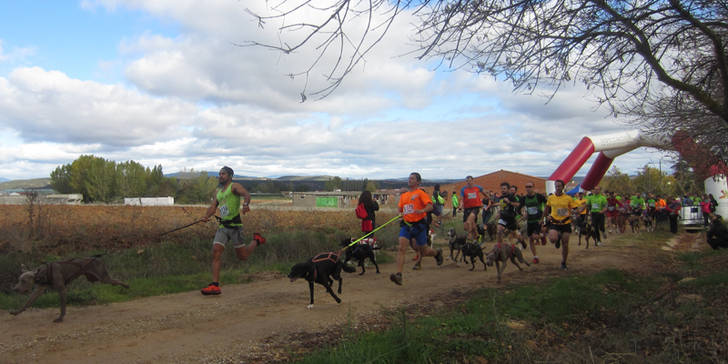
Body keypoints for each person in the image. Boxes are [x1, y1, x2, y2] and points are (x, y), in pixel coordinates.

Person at [200, 166, 266, 295]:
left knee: (243, 256)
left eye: (223, 174)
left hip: (235, 227)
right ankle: (215, 285)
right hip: (223, 227)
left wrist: (245, 205)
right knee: (216, 251)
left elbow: (246, 194)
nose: (220, 176)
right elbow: (213, 206)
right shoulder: (218, 192)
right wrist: (206, 216)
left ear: (230, 176)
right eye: (219, 174)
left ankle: (256, 241)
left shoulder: (234, 187)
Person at [390, 172, 443, 285]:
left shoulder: (420, 193)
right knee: (401, 248)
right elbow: (401, 210)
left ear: (418, 182)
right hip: (406, 225)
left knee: (423, 250)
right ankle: (399, 275)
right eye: (409, 178)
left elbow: (430, 206)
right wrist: (400, 215)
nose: (410, 180)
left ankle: (436, 253)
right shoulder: (404, 196)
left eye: (412, 178)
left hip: (419, 226)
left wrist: (422, 210)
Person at [544, 179, 582, 270]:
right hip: (554, 222)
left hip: (565, 223)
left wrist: (575, 213)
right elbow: (546, 208)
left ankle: (564, 262)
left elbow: (576, 208)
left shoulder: (568, 198)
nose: (557, 188)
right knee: (552, 239)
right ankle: (557, 239)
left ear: (563, 187)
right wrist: (546, 217)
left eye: (559, 186)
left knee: (565, 244)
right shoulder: (551, 198)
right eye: (556, 186)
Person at [520, 182, 547, 263]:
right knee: (531, 239)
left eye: (530, 186)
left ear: (533, 187)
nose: (528, 188)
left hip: (538, 220)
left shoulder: (539, 196)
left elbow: (547, 204)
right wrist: (523, 214)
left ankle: (541, 236)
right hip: (530, 221)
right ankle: (535, 257)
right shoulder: (524, 198)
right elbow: (519, 207)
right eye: (526, 186)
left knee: (535, 237)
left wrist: (544, 216)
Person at [459, 176, 488, 242]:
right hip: (467, 208)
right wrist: (460, 206)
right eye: (467, 181)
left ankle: (469, 236)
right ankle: (477, 236)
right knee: (468, 226)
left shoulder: (478, 187)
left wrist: (488, 198)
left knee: (469, 221)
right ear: (466, 182)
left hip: (475, 208)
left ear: (473, 181)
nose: (469, 182)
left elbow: (485, 193)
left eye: (470, 180)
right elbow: (461, 199)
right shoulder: (463, 189)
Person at [496, 182, 523, 247]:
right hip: (503, 217)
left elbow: (518, 204)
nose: (503, 190)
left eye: (504, 189)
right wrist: (499, 212)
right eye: (502, 189)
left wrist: (509, 202)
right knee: (499, 230)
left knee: (514, 234)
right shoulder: (500, 197)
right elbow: (502, 206)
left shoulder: (512, 196)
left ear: (508, 189)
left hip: (511, 217)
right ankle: (500, 247)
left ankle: (522, 241)